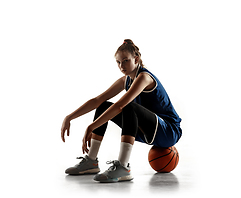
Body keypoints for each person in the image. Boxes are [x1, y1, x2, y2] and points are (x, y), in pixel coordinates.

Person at [60, 39, 182, 183]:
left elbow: (120, 106)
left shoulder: (144, 77)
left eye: (125, 61)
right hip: (147, 129)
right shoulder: (126, 80)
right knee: (103, 105)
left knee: (127, 106)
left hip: (168, 130)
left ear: (136, 59)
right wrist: (69, 117)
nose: (121, 65)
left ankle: (123, 167)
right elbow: (97, 100)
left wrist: (91, 126)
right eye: (118, 62)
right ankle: (91, 162)